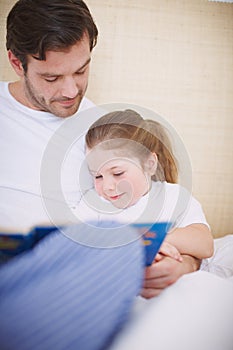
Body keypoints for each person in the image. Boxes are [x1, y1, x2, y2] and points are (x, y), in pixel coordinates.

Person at [0, 0, 203, 295]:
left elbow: (162, 216)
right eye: (52, 78)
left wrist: (185, 265)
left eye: (81, 71)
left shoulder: (102, 133)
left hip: (79, 279)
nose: (71, 91)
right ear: (18, 64)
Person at [73, 109, 214, 297]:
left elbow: (205, 244)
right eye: (97, 176)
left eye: (117, 173)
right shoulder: (93, 204)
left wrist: (152, 240)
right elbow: (73, 245)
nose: (107, 186)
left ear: (149, 164)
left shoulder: (173, 196)